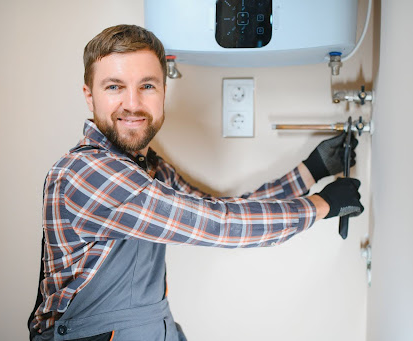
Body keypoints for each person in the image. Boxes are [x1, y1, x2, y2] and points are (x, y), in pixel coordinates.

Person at [28, 24, 363, 341]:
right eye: (114, 86)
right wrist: (321, 205)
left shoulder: (149, 168)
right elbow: (220, 225)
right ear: (89, 96)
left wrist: (311, 169)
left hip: (155, 329)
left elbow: (220, 208)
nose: (132, 103)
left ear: (162, 92)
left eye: (147, 86)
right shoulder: (88, 172)